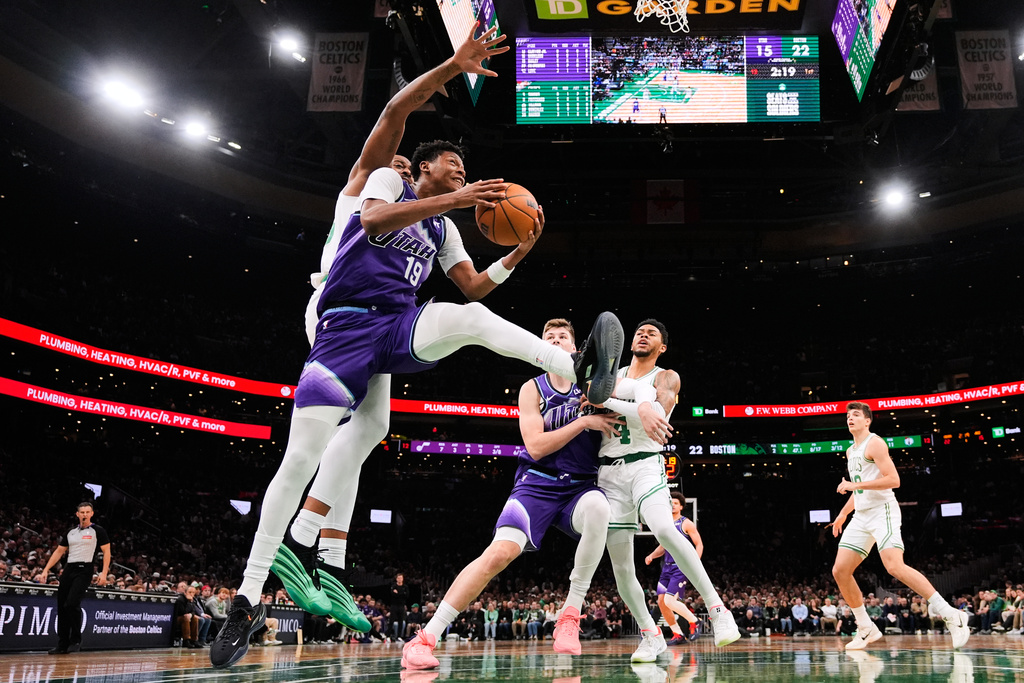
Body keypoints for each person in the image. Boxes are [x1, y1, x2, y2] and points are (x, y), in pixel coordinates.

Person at [210, 33, 626, 671]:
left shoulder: (444, 226)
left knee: (464, 324)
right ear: (424, 167)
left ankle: (573, 367)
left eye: (463, 169)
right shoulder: (385, 180)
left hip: (397, 326)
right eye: (452, 163)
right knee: (302, 457)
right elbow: (380, 192)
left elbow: (473, 286)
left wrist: (519, 250)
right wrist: (454, 67)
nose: (462, 171)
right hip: (342, 321)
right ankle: (249, 594)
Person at [400, 318, 624, 669]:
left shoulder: (594, 386)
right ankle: (425, 638)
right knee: (498, 554)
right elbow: (535, 446)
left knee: (599, 509)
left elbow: (623, 405)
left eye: (562, 337)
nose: (554, 341)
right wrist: (583, 421)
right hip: (537, 483)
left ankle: (570, 614)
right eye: (548, 337)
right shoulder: (532, 389)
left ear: (576, 348)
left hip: (580, 486)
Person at [595, 319, 740, 662]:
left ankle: (718, 610)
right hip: (608, 472)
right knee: (621, 566)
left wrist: (604, 402)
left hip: (645, 464)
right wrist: (601, 400)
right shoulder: (611, 376)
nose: (643, 335)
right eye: (639, 331)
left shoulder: (666, 377)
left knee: (664, 528)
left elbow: (656, 414)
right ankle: (651, 635)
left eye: (652, 333)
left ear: (661, 347)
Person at [830, 401, 969, 650]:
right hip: (861, 515)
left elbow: (893, 480)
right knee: (840, 570)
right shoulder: (851, 451)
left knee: (894, 566)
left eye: (856, 415)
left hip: (882, 511)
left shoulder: (875, 443)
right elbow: (860, 488)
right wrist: (842, 513)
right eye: (848, 415)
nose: (850, 418)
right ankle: (866, 627)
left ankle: (951, 615)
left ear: (867, 421)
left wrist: (854, 486)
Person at [39, 501, 110, 654]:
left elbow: (107, 552)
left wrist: (104, 573)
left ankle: (76, 639)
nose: (85, 514)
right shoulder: (70, 532)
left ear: (92, 514)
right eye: (82, 512)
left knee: (72, 603)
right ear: (77, 514)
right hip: (69, 568)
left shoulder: (98, 531)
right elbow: (59, 552)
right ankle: (62, 644)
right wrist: (46, 570)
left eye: (87, 512)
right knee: (62, 605)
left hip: (85, 569)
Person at [644, 490, 702, 645]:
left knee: (670, 601)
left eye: (676, 503)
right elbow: (663, 546)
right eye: (671, 503)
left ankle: (695, 621)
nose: (673, 506)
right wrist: (651, 556)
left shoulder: (686, 523)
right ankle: (678, 633)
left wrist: (695, 562)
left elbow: (699, 544)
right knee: (662, 602)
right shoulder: (667, 524)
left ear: (681, 506)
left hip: (680, 566)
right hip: (667, 568)